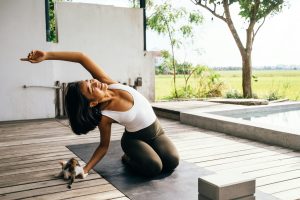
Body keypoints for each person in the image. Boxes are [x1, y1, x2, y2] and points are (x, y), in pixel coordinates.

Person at [21, 50, 179, 178]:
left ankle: (145, 153)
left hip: (157, 132)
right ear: (92, 103)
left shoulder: (108, 83)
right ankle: (128, 157)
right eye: (91, 89)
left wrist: (47, 55)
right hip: (134, 140)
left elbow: (81, 57)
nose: (94, 82)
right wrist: (85, 169)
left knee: (172, 162)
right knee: (154, 168)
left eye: (89, 81)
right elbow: (103, 147)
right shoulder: (105, 116)